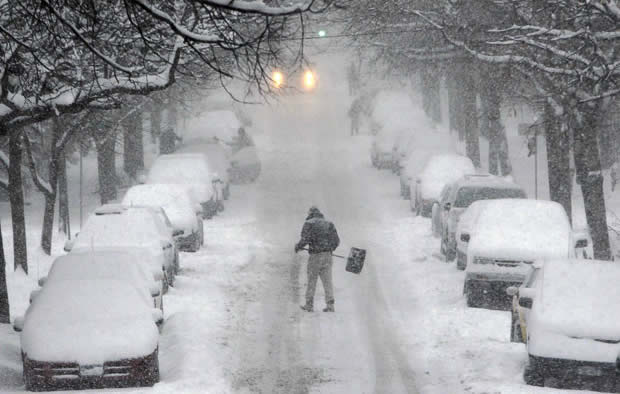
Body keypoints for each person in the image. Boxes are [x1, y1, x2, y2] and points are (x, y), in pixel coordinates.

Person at [294, 206, 340, 312]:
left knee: (312, 280)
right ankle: (330, 305)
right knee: (327, 281)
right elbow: (336, 241)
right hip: (328, 256)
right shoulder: (329, 223)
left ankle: (309, 305)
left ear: (310, 214)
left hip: (315, 256)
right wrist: (329, 249)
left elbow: (305, 239)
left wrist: (298, 246)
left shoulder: (309, 223)